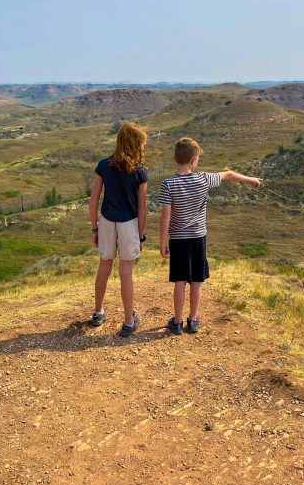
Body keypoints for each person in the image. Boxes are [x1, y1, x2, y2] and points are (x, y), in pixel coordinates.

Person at [158, 137, 261, 335]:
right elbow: (229, 174)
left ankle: (177, 322)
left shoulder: (168, 184)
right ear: (194, 160)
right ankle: (193, 320)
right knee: (197, 280)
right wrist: (251, 180)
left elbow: (165, 216)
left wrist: (162, 244)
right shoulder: (204, 179)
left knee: (180, 280)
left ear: (175, 158)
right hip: (198, 238)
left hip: (178, 240)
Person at [89, 122, 148, 337]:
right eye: (142, 144)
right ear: (134, 144)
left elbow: (93, 201)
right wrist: (140, 235)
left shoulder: (103, 166)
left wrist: (95, 228)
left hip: (106, 221)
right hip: (129, 224)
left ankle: (98, 312)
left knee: (104, 265)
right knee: (126, 273)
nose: (143, 148)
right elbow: (142, 209)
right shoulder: (140, 172)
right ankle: (128, 322)